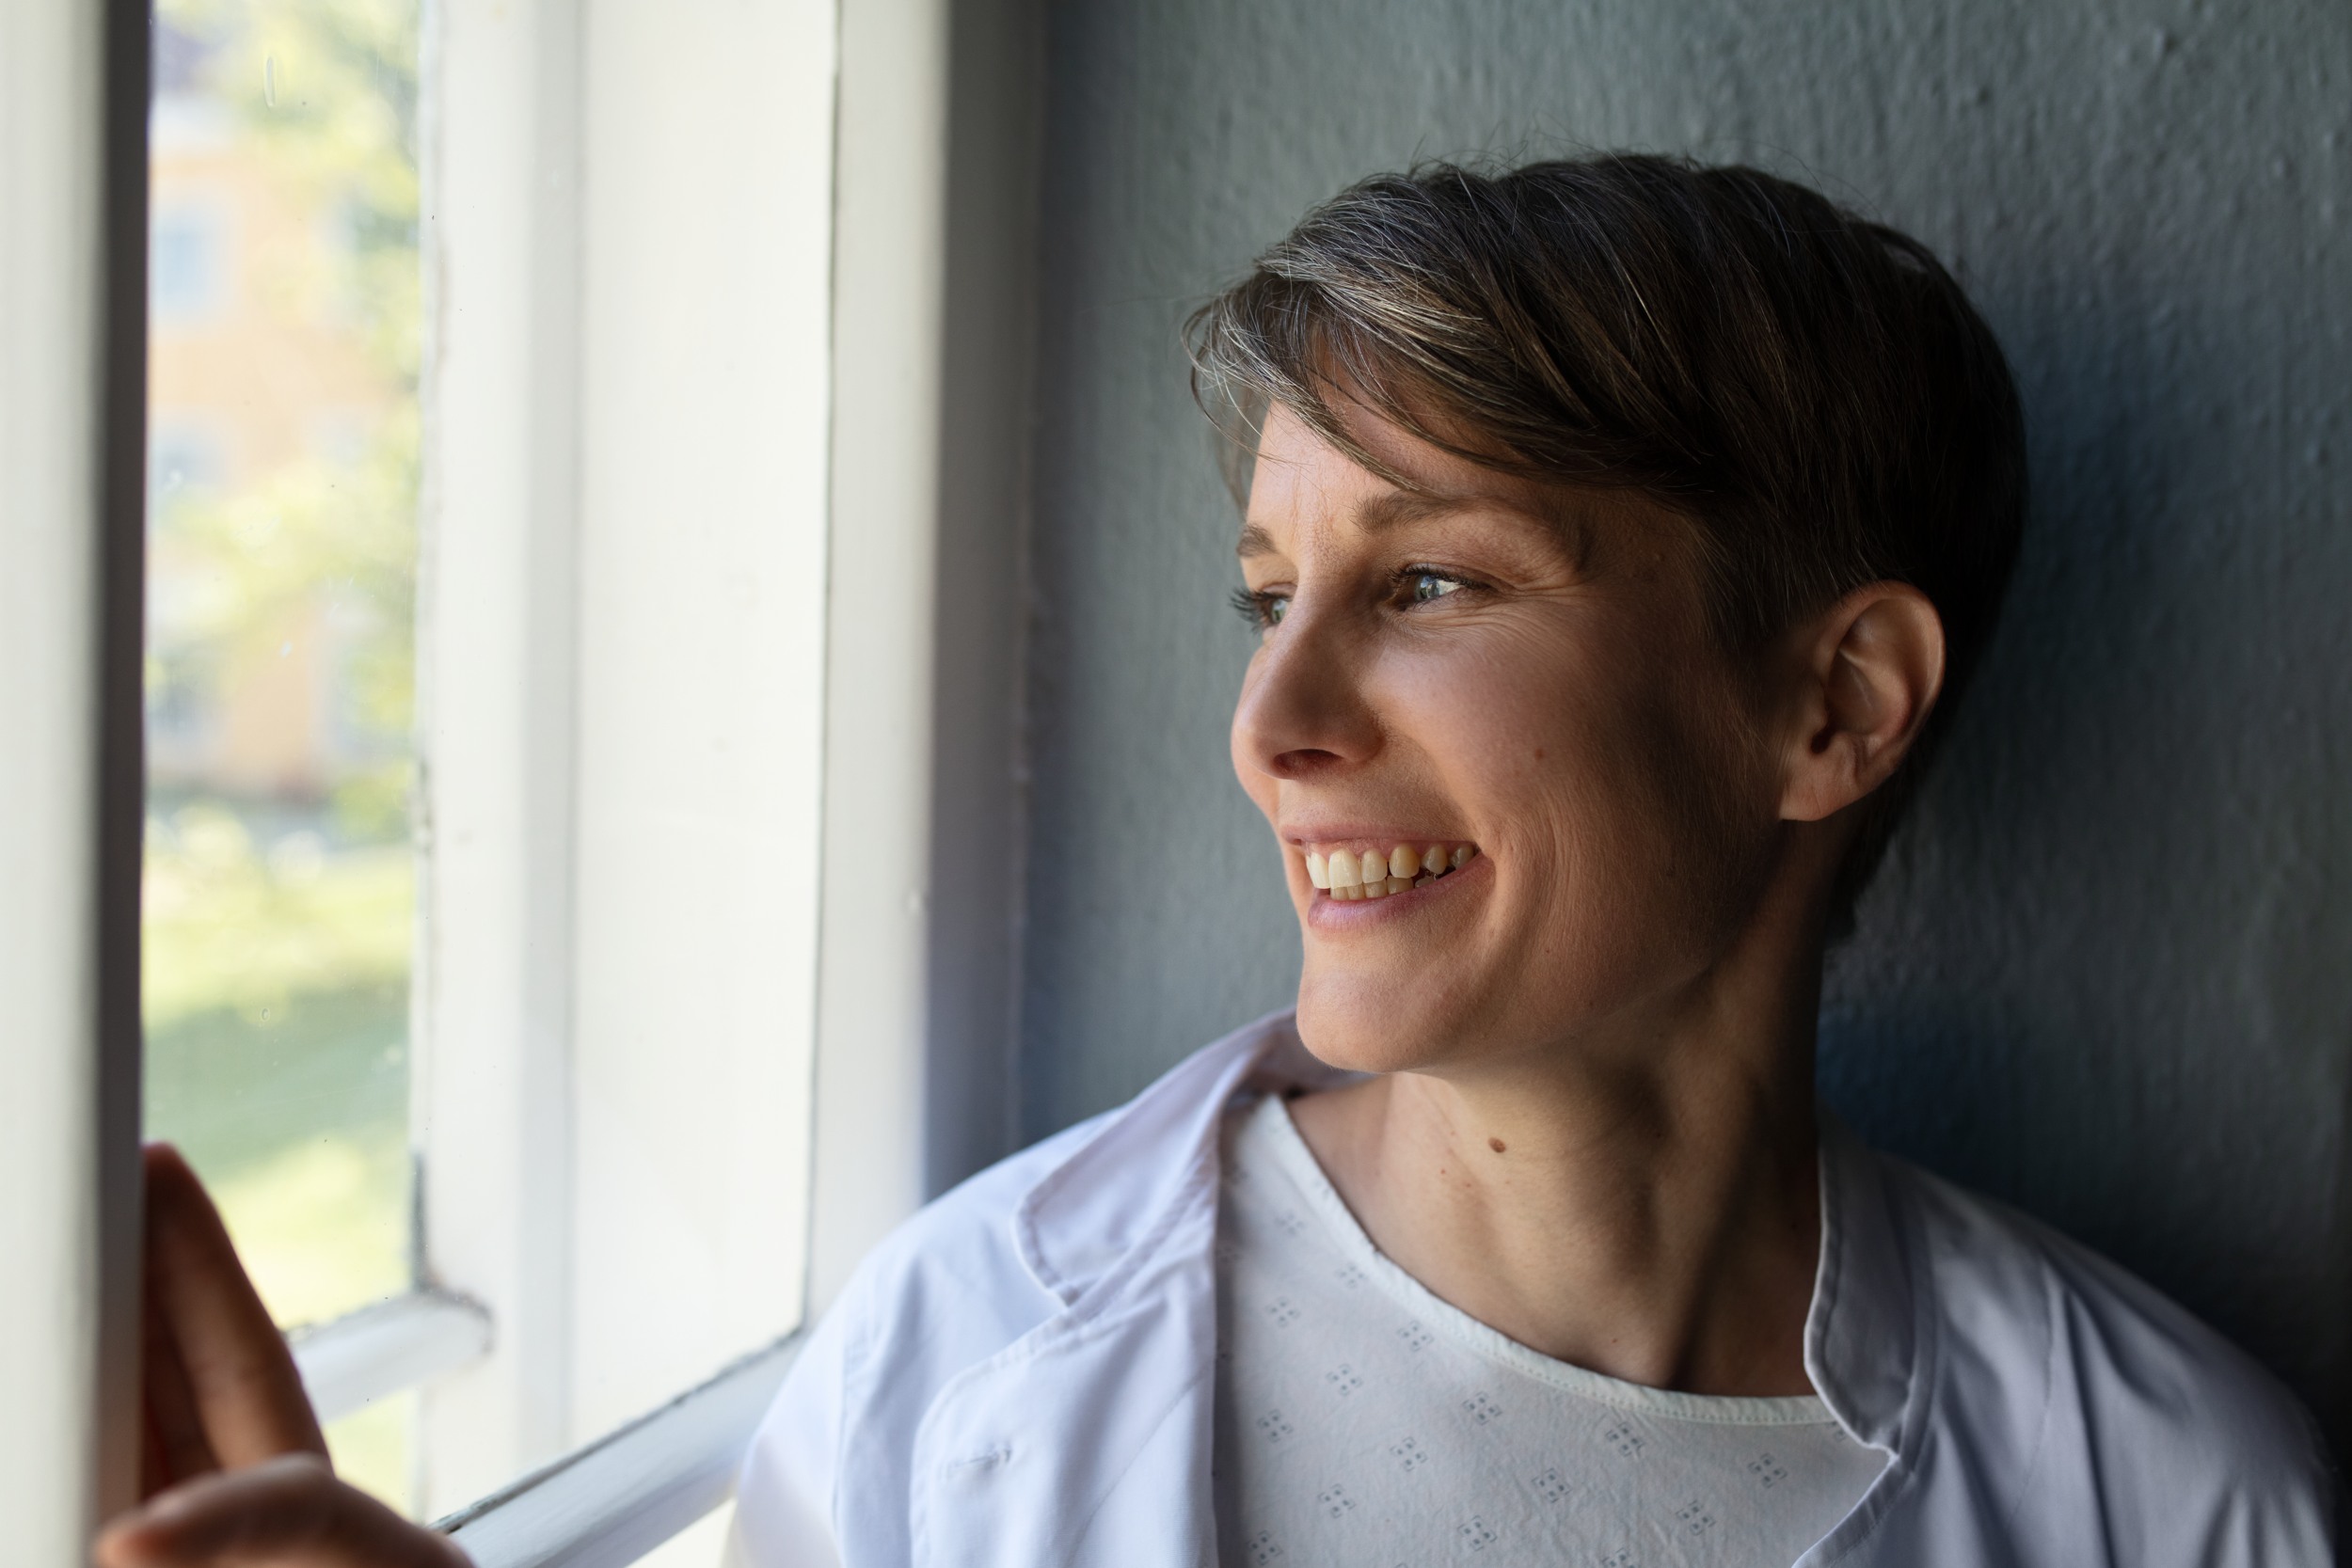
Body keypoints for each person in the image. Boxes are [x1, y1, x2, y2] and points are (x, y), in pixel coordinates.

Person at [98, 154, 2336, 1568]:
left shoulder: (2178, 1502)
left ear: (1826, 705)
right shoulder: (961, 1365)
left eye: (1430, 584)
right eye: (1267, 592)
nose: (1273, 728)